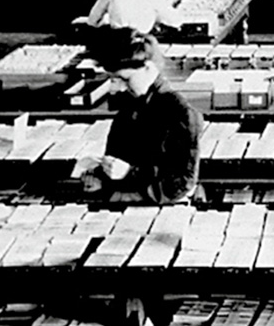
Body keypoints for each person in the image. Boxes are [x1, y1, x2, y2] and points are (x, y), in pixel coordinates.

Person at [78, 31, 204, 205]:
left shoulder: (181, 114)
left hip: (161, 206)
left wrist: (129, 174)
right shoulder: (130, 105)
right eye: (114, 80)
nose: (119, 88)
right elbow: (116, 156)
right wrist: (100, 175)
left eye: (125, 79)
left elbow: (182, 183)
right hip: (126, 198)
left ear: (148, 67)